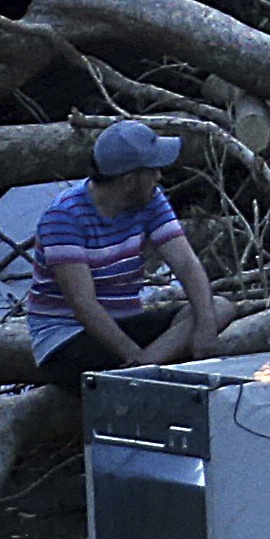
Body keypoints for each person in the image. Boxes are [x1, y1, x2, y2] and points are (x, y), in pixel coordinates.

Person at [30, 116, 218, 382]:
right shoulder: (64, 217)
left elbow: (187, 263)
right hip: (69, 338)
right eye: (152, 170)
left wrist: (206, 328)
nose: (159, 175)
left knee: (217, 308)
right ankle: (139, 370)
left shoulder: (151, 199)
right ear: (129, 180)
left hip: (127, 323)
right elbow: (84, 305)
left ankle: (142, 367)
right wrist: (129, 351)